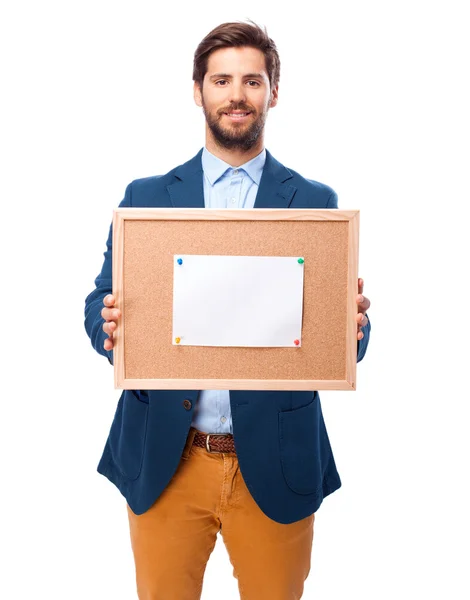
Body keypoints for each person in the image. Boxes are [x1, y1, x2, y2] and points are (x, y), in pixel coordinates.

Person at [84, 20, 371, 600]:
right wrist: (107, 324)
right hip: (168, 457)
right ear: (199, 90)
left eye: (251, 81)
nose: (236, 94)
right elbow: (99, 302)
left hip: (275, 459)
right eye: (221, 80)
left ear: (272, 91)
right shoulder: (146, 199)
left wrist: (354, 330)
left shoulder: (315, 203)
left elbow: (336, 340)